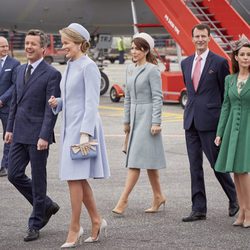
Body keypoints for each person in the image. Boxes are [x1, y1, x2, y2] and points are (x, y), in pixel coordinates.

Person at [48, 23, 110, 248]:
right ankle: (96, 220)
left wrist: (85, 133)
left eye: (66, 43)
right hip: (69, 128)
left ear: (79, 43)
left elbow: (92, 102)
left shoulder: (88, 66)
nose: (63, 46)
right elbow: (74, 97)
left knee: (74, 179)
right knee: (77, 179)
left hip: (82, 129)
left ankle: (75, 227)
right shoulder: (71, 65)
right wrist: (59, 103)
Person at [5, 29, 61, 241]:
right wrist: (9, 129)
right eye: (27, 43)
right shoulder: (19, 70)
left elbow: (51, 110)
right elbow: (15, 104)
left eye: (33, 44)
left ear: (43, 48)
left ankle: (36, 222)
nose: (28, 47)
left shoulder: (52, 74)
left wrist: (45, 135)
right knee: (14, 174)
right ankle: (46, 205)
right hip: (19, 132)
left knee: (38, 180)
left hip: (39, 136)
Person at [181, 23, 238, 222]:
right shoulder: (186, 63)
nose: (200, 40)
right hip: (191, 122)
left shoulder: (219, 62)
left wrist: (224, 124)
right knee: (194, 166)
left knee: (217, 164)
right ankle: (198, 208)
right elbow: (191, 91)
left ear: (209, 38)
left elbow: (225, 96)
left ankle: (234, 198)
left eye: (203, 36)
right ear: (192, 38)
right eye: (197, 36)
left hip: (211, 122)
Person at [112, 32, 166, 215]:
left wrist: (156, 121)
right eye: (132, 48)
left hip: (148, 116)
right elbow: (127, 97)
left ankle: (123, 200)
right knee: (149, 161)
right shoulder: (130, 69)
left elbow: (158, 97)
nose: (133, 51)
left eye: (138, 48)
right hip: (135, 118)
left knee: (134, 161)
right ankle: (158, 196)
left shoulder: (152, 70)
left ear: (146, 50)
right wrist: (126, 121)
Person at [214, 36, 250, 228]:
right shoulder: (229, 79)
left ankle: (249, 211)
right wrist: (220, 133)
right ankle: (242, 211)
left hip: (248, 127)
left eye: (249, 55)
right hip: (231, 130)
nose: (246, 58)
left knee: (243, 171)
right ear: (235, 57)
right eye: (242, 54)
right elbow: (225, 107)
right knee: (236, 172)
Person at [0, 36, 20, 177]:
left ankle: (5, 165)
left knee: (8, 137)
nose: (5, 49)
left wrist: (2, 99)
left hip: (6, 106)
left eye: (6, 46)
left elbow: (15, 85)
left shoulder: (14, 64)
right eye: (2, 46)